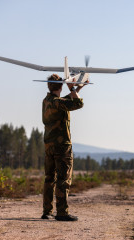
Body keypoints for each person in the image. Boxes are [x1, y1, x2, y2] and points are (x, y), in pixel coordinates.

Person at [41, 74, 87, 221]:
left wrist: (78, 87)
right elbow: (77, 103)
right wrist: (72, 87)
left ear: (49, 86)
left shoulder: (47, 101)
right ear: (60, 86)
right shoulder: (58, 103)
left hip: (49, 146)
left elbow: (65, 101)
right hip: (62, 147)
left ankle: (47, 212)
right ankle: (62, 212)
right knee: (63, 179)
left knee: (49, 178)